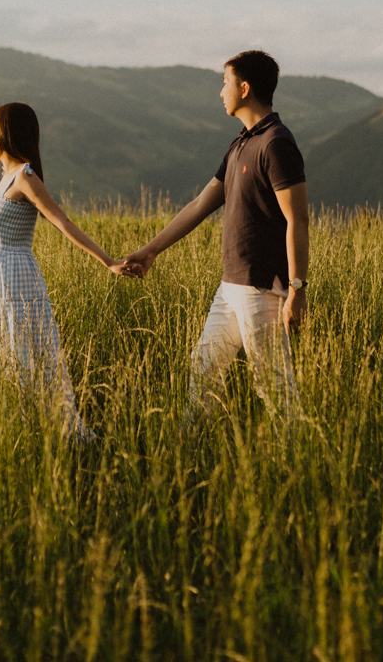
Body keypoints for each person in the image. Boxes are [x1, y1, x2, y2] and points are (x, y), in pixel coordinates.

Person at [124, 50, 308, 423]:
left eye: (224, 82)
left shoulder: (276, 143)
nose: (219, 91)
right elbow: (198, 205)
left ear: (245, 87)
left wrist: (297, 289)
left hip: (263, 288)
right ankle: (190, 453)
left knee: (274, 388)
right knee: (203, 370)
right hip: (230, 286)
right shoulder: (241, 143)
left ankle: (299, 464)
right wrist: (150, 250)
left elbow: (298, 220)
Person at [0, 101, 129, 442]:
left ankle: (46, 433)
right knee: (5, 352)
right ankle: (13, 429)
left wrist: (108, 261)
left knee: (24, 354)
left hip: (16, 282)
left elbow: (62, 222)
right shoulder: (6, 177)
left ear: (3, 134)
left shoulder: (25, 176)